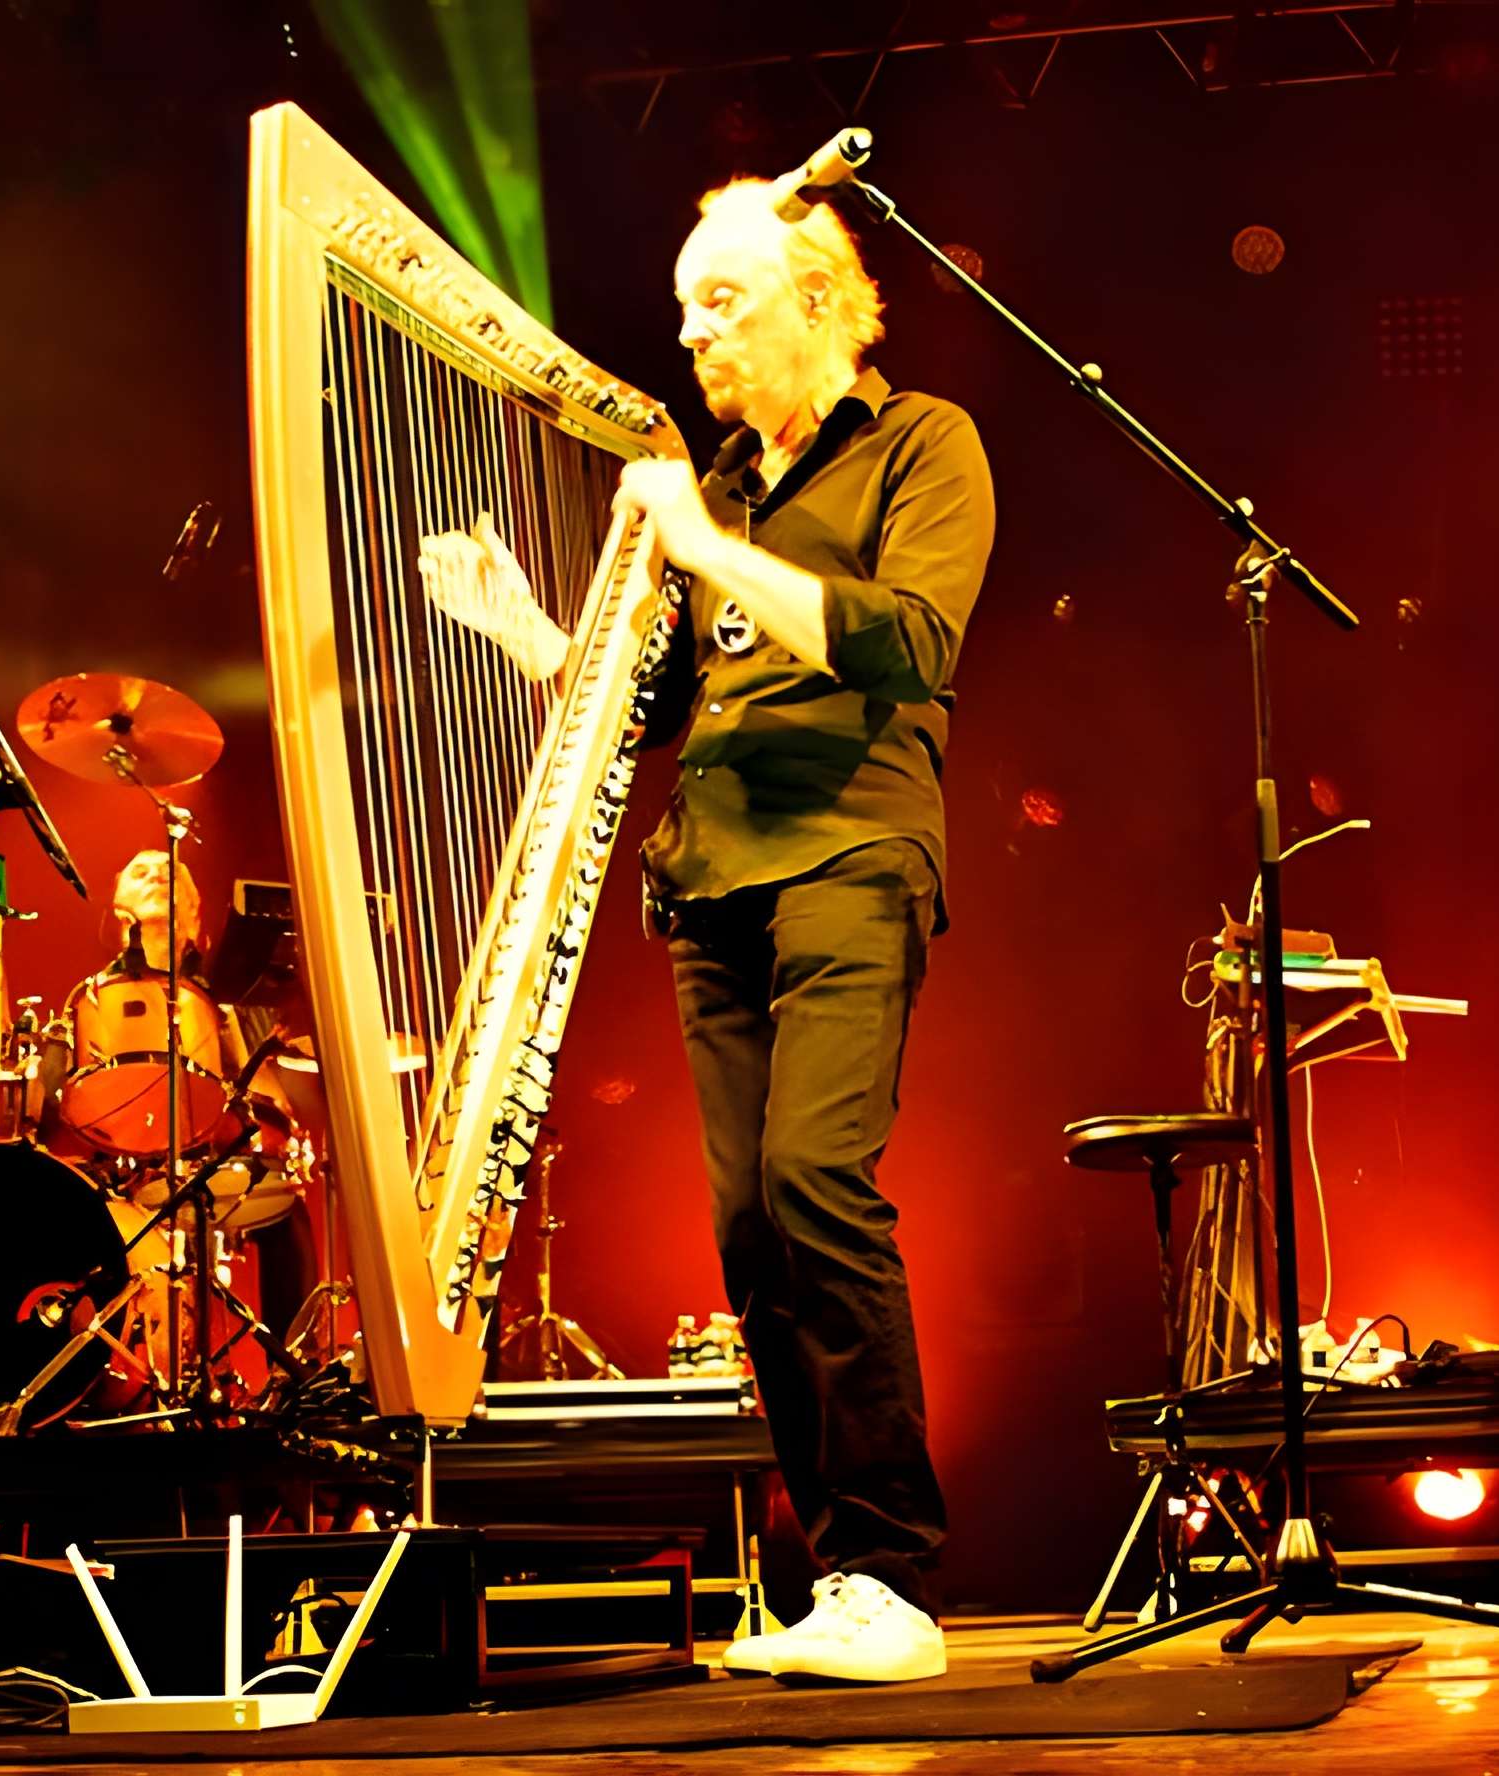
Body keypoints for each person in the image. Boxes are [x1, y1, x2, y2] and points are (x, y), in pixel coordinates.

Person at [433, 173, 989, 1683]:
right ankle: (837, 1582)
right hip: (714, 879)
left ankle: (894, 1574)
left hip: (851, 855)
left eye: (722, 302)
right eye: (683, 310)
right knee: (749, 1237)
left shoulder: (922, 445)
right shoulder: (726, 490)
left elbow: (907, 641)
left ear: (819, 301)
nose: (694, 337)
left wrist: (696, 539)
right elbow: (670, 705)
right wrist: (530, 636)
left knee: (818, 1183)